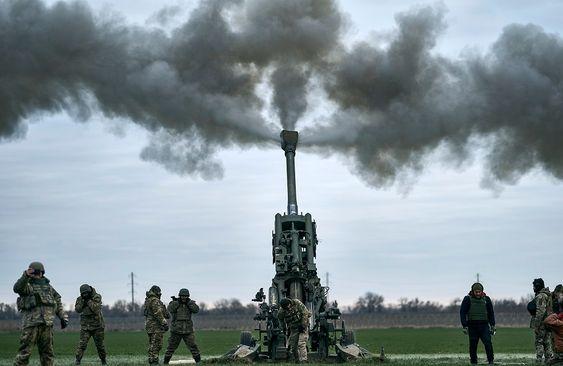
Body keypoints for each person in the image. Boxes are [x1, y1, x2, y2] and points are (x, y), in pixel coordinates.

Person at [13, 261, 69, 366]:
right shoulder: (27, 285)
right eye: (33, 273)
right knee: (24, 354)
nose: (35, 275)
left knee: (47, 355)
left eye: (36, 272)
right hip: (31, 325)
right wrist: (25, 275)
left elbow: (58, 303)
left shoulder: (49, 288)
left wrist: (63, 317)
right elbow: (17, 288)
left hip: (47, 326)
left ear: (41, 273)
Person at [460, 282, 496, 365]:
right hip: (472, 325)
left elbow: (491, 313)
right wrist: (464, 325)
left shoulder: (486, 299)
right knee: (473, 344)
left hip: (484, 326)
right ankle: (473, 361)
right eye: (476, 292)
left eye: (479, 292)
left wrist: (492, 325)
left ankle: (491, 360)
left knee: (488, 342)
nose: (478, 293)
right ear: (473, 291)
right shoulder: (467, 299)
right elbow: (462, 312)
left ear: (482, 291)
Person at [164, 288, 201, 364]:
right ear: (180, 296)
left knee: (193, 347)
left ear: (188, 296)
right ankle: (165, 362)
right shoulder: (175, 303)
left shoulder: (190, 303)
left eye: (185, 296)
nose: (184, 298)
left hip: (188, 330)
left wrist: (189, 303)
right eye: (182, 296)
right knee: (171, 348)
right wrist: (176, 302)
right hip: (176, 330)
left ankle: (199, 362)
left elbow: (196, 310)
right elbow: (170, 309)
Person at [74, 284, 107, 365]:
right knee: (82, 345)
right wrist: (83, 303)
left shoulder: (97, 297)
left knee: (100, 346)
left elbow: (95, 309)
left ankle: (103, 360)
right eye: (83, 294)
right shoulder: (80, 299)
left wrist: (88, 301)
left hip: (97, 326)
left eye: (86, 293)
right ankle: (77, 361)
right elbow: (77, 310)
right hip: (86, 327)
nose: (85, 295)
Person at [278, 298, 311, 363]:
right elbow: (280, 320)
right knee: (293, 346)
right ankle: (297, 360)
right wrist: (284, 328)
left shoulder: (297, 303)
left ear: (290, 303)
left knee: (301, 343)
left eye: (289, 306)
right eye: (286, 307)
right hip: (293, 328)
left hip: (302, 326)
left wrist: (303, 325)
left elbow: (305, 313)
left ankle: (304, 360)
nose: (289, 308)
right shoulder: (281, 311)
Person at [144, 285, 170, 366]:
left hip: (150, 326)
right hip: (155, 327)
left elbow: (166, 314)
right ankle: (154, 362)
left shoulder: (148, 300)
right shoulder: (155, 301)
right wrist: (164, 323)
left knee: (153, 344)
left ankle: (152, 361)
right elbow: (158, 314)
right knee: (156, 345)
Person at [532, 278, 554, 363]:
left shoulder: (541, 296)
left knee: (539, 341)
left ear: (537, 286)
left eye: (534, 286)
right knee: (547, 342)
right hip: (549, 322)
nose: (533, 288)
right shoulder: (548, 295)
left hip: (542, 323)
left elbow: (540, 311)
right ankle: (549, 360)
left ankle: (539, 359)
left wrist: (536, 325)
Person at [544, 291, 563, 365]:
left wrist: (557, 315)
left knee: (549, 363)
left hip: (561, 350)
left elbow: (546, 321)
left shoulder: (559, 324)